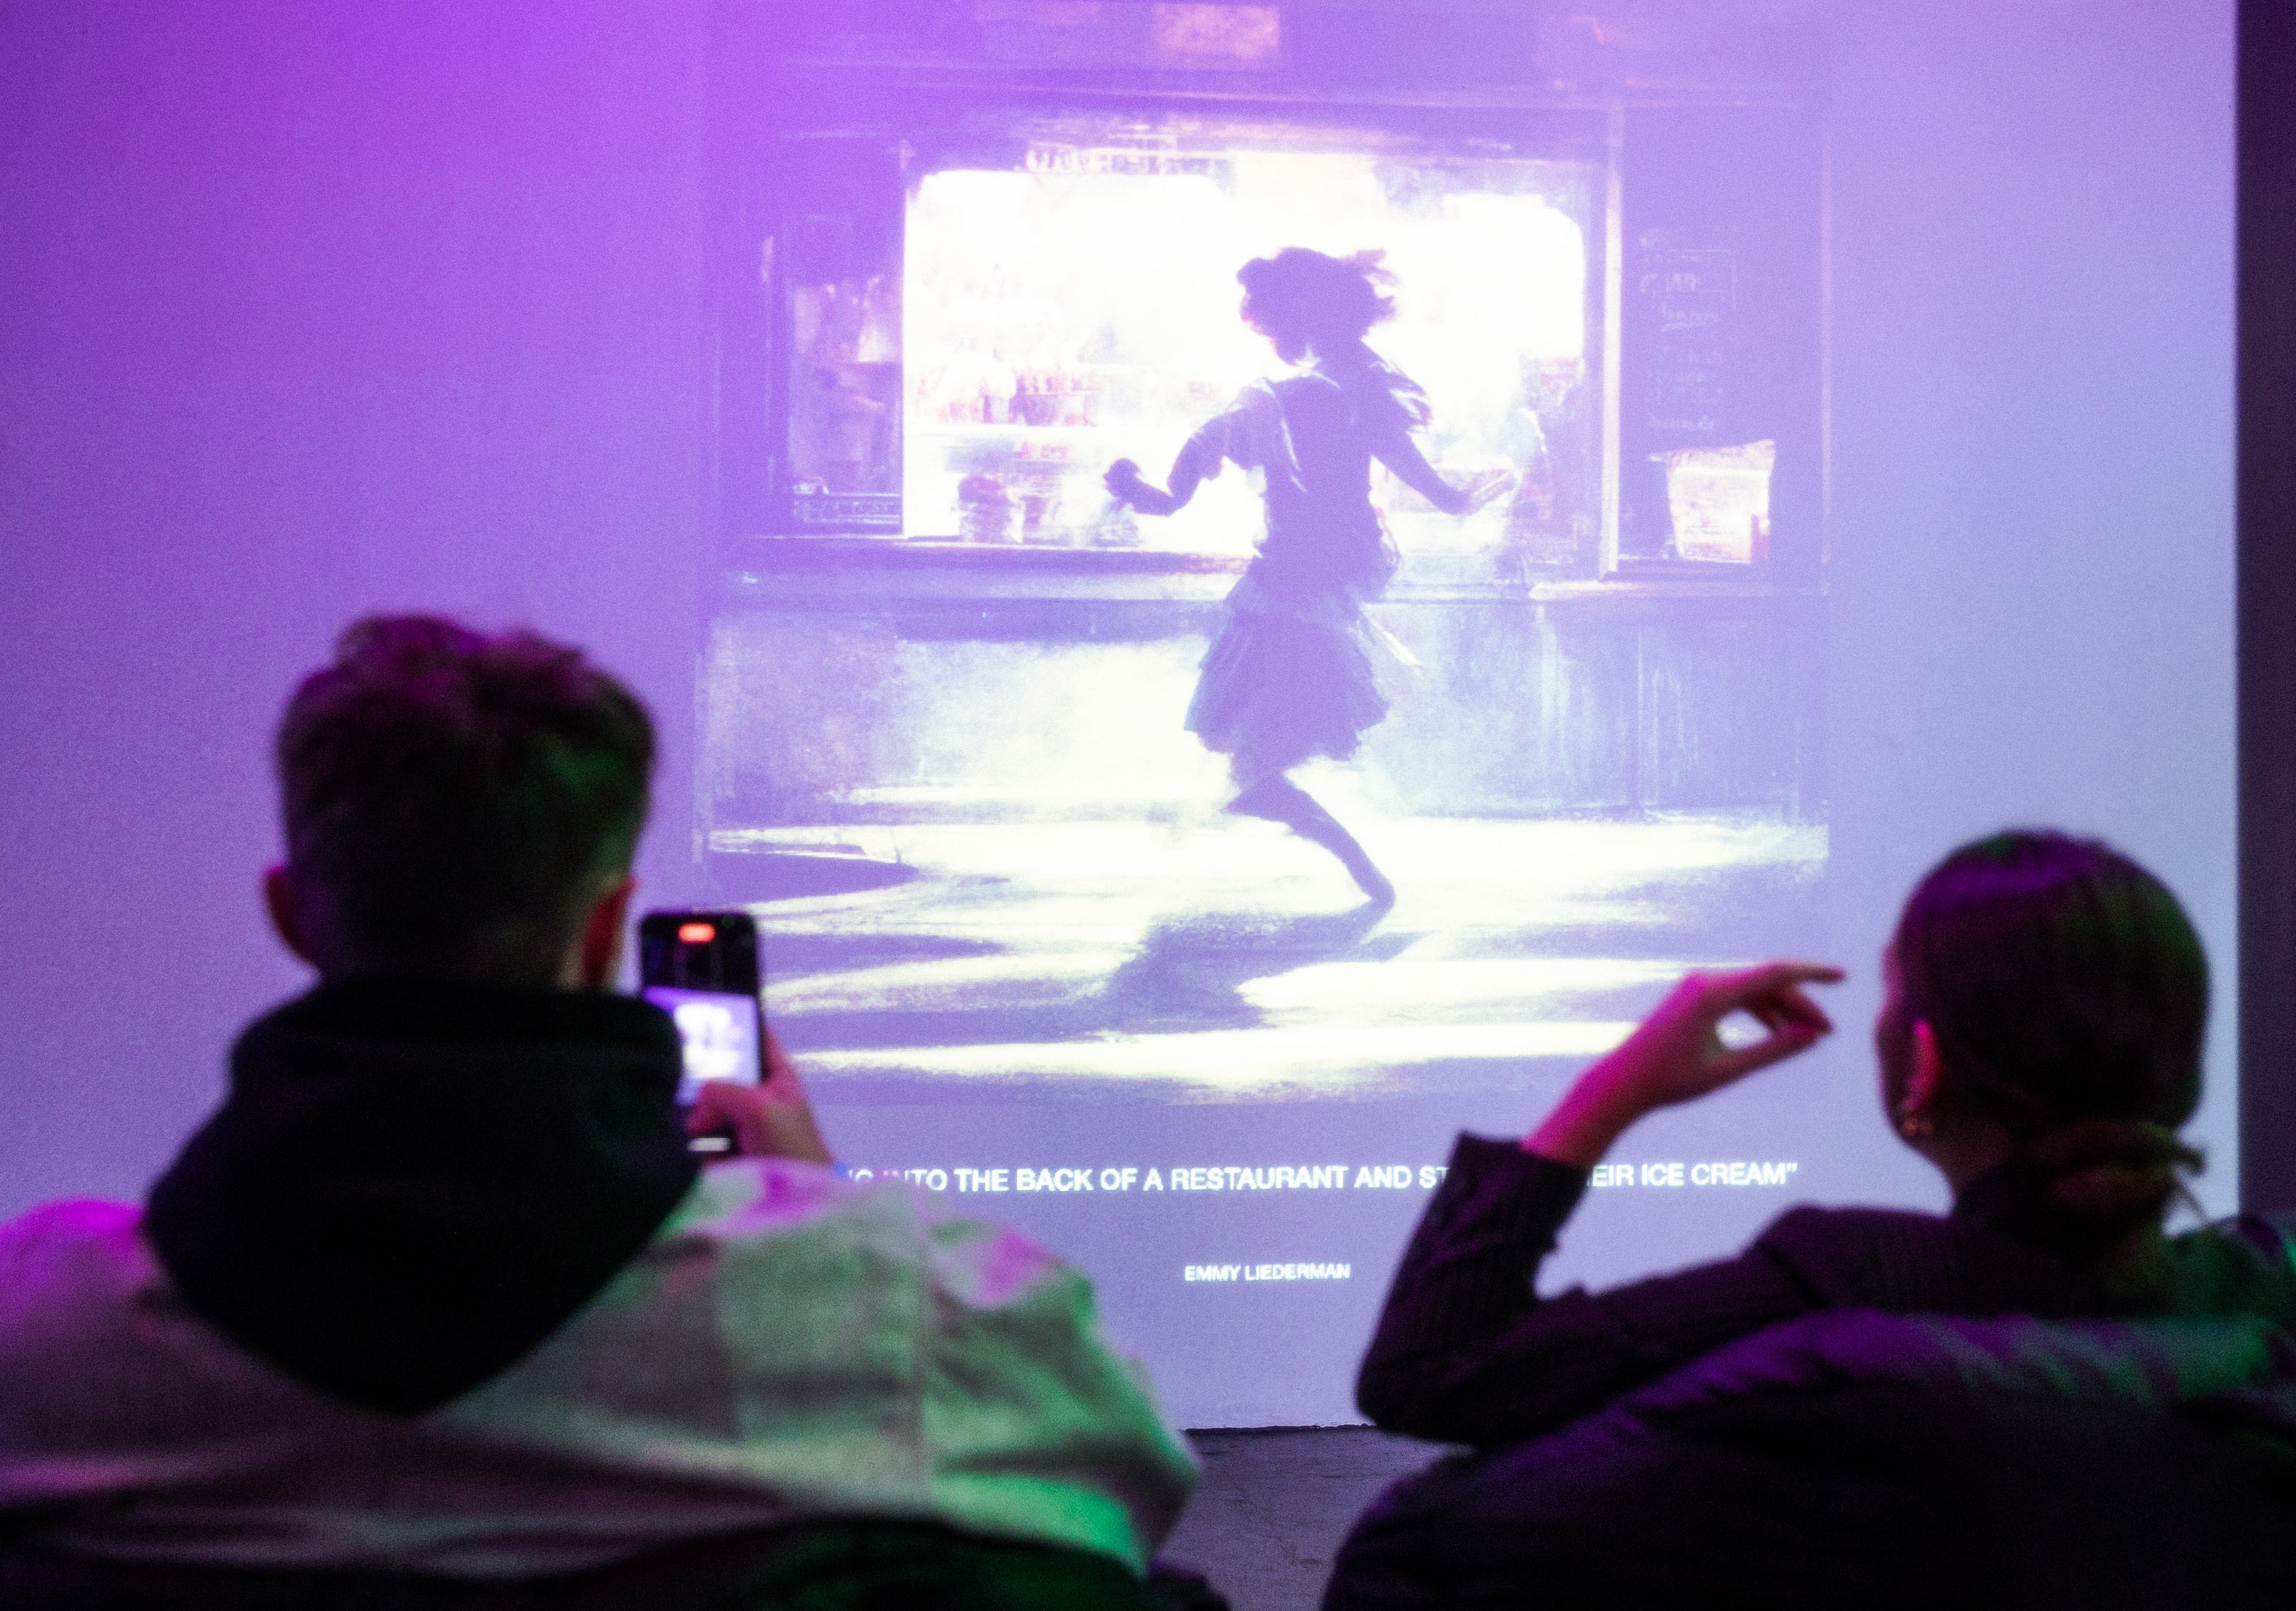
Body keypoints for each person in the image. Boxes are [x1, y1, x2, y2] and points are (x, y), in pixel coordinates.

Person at [0, 617, 1202, 1604]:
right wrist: (822, 1216)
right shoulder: (925, 1322)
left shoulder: (35, 1328)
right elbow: (1124, 1501)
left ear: (293, 913)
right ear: (605, 926)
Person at [1328, 830, 2296, 1607]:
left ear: (1922, 1067)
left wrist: (1610, 1092)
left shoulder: (1844, 1282)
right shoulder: (2263, 1292)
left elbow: (1431, 1373)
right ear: (2183, 1072)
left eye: (1889, 991)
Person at [1103, 247, 1505, 907]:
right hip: (1301, 585)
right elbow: (1184, 483)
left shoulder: (1313, 392)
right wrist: (1459, 497)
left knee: (1255, 761)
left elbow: (1180, 487)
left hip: (1297, 588)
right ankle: (1338, 857)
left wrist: (1137, 488)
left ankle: (1348, 861)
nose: (1271, 331)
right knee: (1255, 759)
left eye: (1275, 319)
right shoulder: (1319, 390)